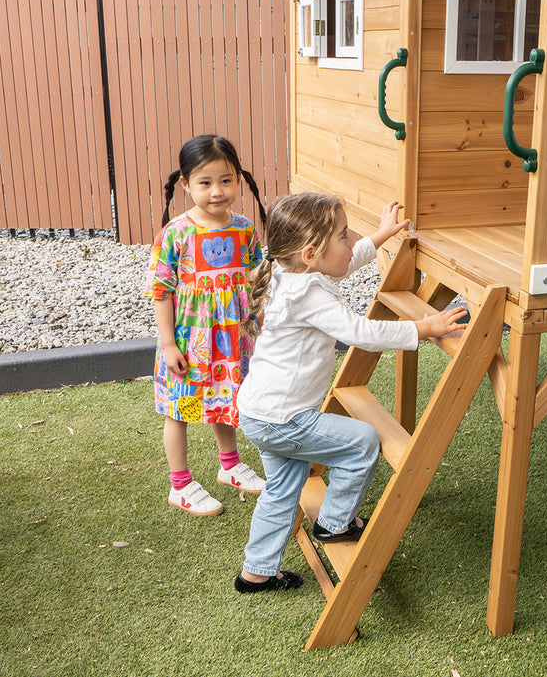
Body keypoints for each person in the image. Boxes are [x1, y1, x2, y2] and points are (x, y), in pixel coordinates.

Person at [233, 192, 467, 592]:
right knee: (361, 443)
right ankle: (334, 524)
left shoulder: (291, 274)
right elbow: (362, 332)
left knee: (282, 488)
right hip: (284, 419)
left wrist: (378, 236)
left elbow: (345, 261)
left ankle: (255, 572)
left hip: (260, 413)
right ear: (310, 253)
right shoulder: (309, 294)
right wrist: (423, 329)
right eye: (343, 234)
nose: (351, 238)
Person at [145, 134, 268, 516]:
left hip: (233, 338)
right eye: (205, 182)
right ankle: (179, 484)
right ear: (185, 183)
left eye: (226, 180)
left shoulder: (244, 228)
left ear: (238, 178)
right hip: (188, 341)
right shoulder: (176, 233)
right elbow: (161, 291)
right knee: (178, 410)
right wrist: (168, 344)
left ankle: (229, 465)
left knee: (227, 399)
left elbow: (255, 275)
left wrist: (259, 316)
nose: (217, 191)